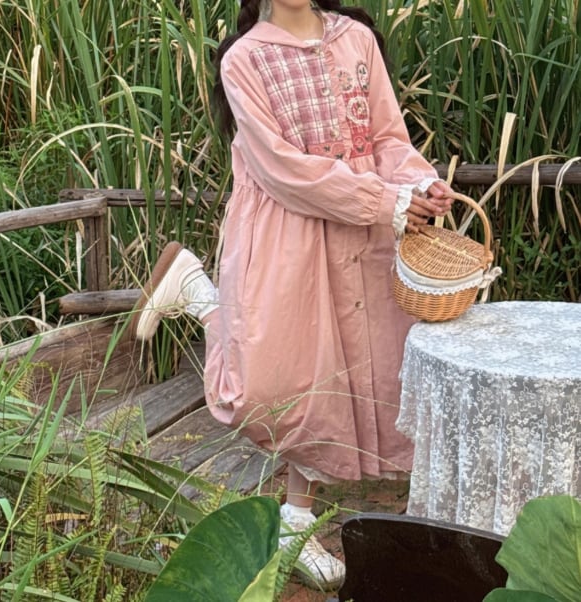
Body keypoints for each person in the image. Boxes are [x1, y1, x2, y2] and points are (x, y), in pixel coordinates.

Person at [132, 0, 454, 591]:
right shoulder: (244, 60)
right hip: (291, 237)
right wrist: (386, 201)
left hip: (364, 235)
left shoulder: (356, 38)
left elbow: (387, 136)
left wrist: (418, 182)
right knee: (274, 384)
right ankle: (202, 298)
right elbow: (282, 169)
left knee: (344, 373)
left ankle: (297, 521)